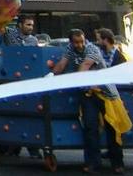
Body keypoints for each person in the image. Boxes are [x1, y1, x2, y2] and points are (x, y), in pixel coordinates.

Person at [53, 27, 125, 174]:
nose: (79, 45)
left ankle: (117, 163)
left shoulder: (92, 49)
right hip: (88, 94)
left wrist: (71, 79)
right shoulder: (70, 49)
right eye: (76, 42)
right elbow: (62, 64)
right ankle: (93, 163)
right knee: (90, 128)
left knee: (112, 127)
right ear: (71, 42)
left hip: (106, 93)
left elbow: (84, 66)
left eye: (81, 41)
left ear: (85, 39)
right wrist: (50, 75)